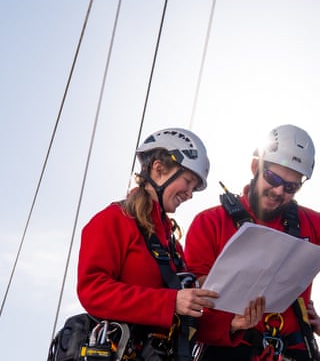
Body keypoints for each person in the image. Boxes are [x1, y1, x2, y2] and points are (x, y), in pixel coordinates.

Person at [75, 127, 265, 360]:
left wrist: (234, 324)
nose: (190, 193)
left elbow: (186, 317)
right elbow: (93, 291)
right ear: (158, 169)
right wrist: (170, 301)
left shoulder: (172, 247)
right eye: (188, 181)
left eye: (194, 188)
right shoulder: (114, 220)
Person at [185, 124, 320, 361]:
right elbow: (192, 295)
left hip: (292, 350)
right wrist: (232, 318)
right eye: (273, 178)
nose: (279, 191)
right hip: (229, 348)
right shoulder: (210, 223)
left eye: (291, 187)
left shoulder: (314, 225)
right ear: (255, 167)